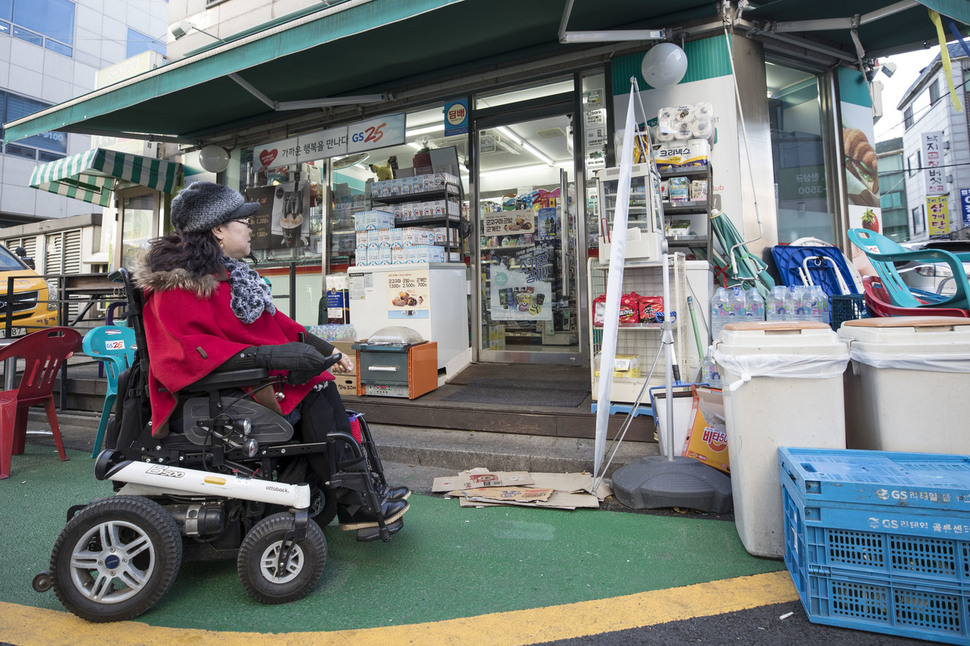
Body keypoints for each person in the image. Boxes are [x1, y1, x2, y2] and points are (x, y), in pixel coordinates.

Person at [132, 180, 409, 530]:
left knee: (318, 384)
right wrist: (271, 356)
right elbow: (184, 357)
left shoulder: (230, 276)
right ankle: (357, 504)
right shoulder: (178, 286)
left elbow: (276, 322)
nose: (250, 226)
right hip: (214, 392)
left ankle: (359, 497)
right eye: (242, 221)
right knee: (316, 391)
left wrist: (326, 351)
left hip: (239, 382)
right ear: (218, 229)